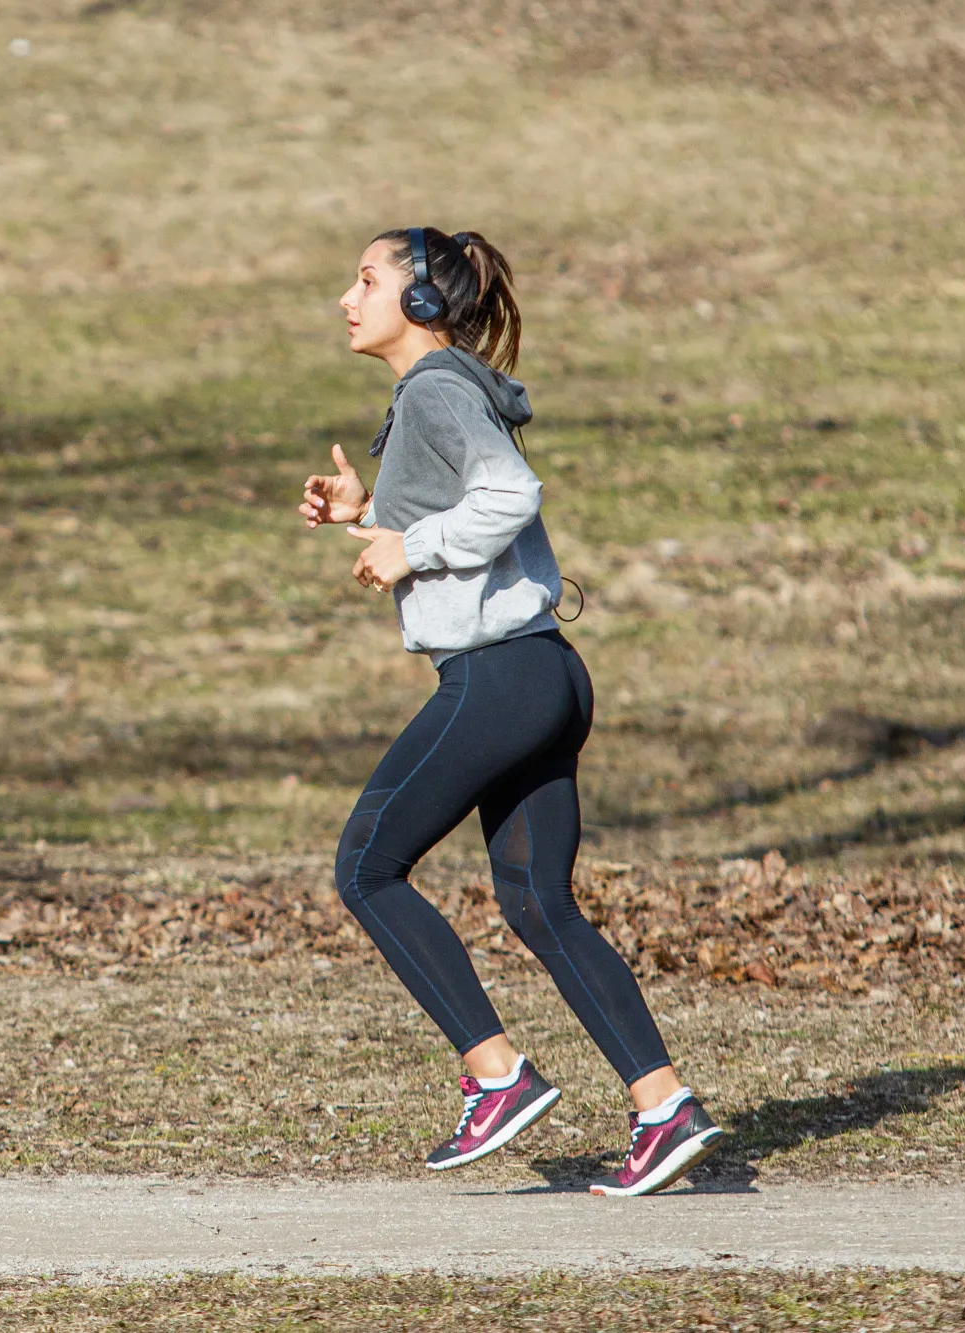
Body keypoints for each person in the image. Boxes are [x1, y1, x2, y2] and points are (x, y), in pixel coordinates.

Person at [298, 227, 723, 1197]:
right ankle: (663, 1108)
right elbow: (469, 508)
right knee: (535, 901)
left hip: (496, 677)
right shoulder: (440, 392)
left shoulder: (437, 389)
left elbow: (506, 493)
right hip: (541, 672)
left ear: (417, 304)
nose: (343, 297)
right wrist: (365, 515)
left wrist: (408, 551)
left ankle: (496, 1076)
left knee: (365, 867)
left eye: (364, 280)